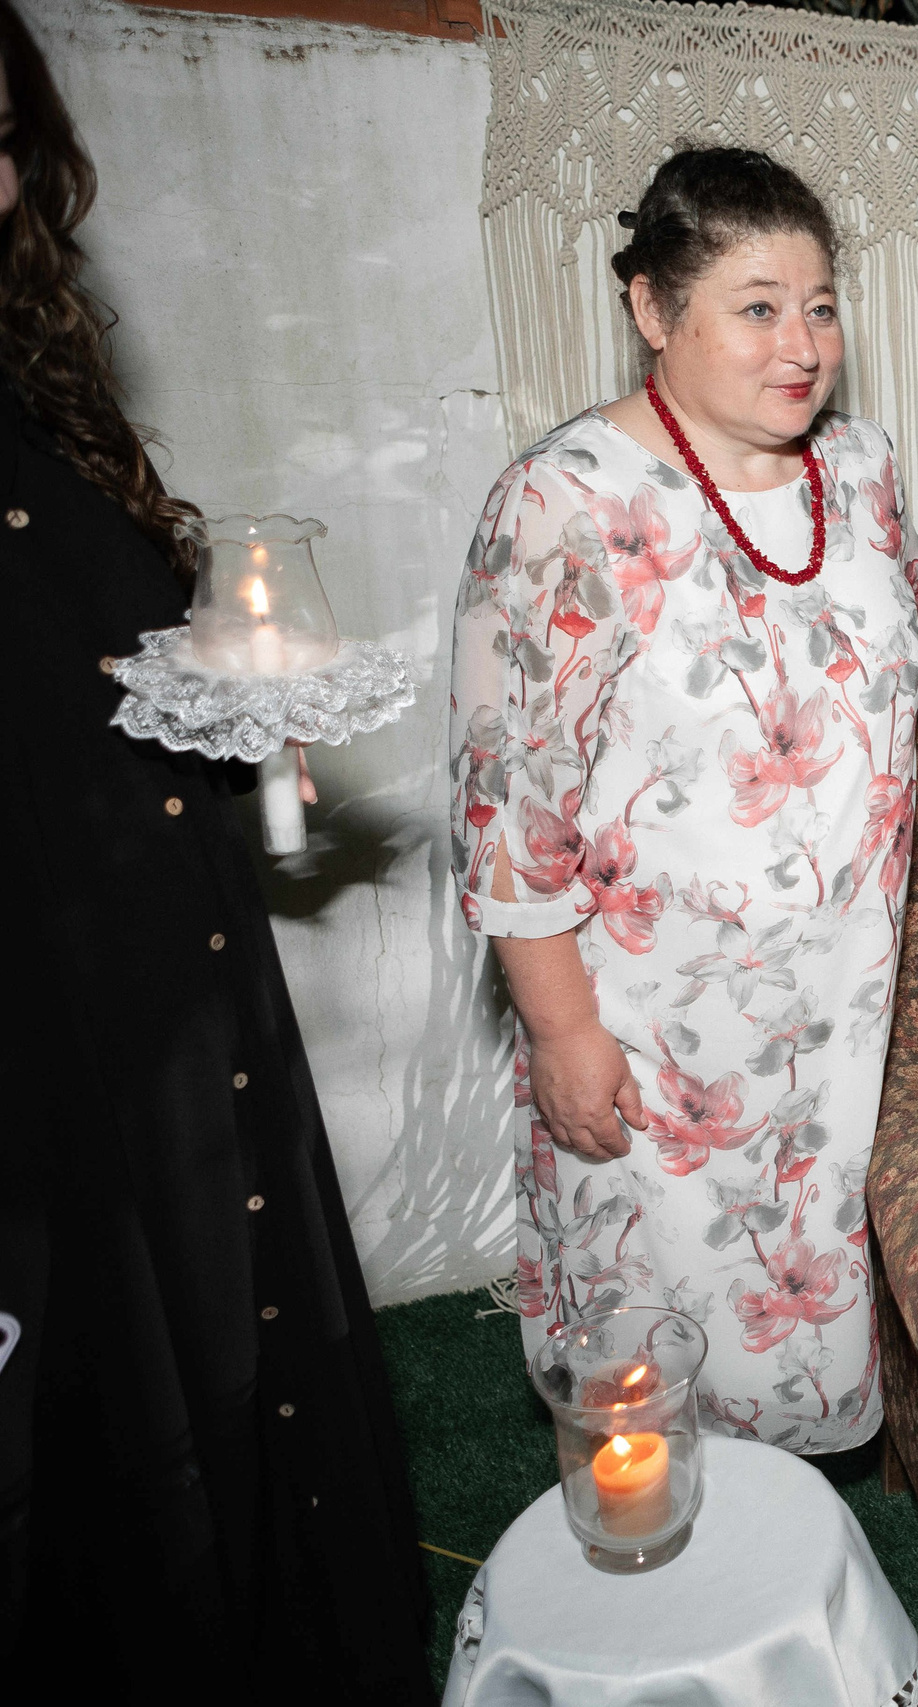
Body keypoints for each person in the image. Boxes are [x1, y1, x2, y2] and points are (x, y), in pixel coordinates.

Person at [450, 146, 918, 1456]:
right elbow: (511, 800)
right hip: (650, 1024)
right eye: (758, 307)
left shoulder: (855, 468)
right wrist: (562, 1032)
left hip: (832, 1011)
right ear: (651, 308)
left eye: (822, 306)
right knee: (654, 1318)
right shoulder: (563, 503)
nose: (803, 345)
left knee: (789, 1301)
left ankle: (783, 1517)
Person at [0, 4, 434, 1697]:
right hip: (40, 1034)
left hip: (167, 975)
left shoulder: (36, 398)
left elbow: (84, 679)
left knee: (231, 1357)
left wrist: (233, 688)